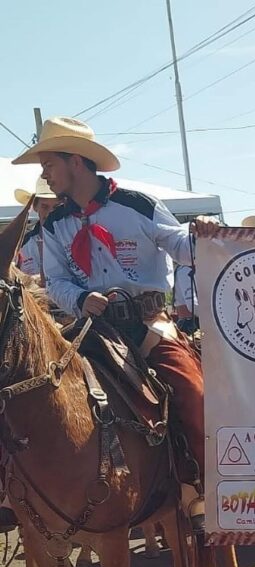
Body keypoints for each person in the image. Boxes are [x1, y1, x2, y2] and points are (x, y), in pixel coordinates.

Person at [12, 116, 210, 531]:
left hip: (147, 324)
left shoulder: (137, 205)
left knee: (193, 391)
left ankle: (202, 488)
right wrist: (81, 299)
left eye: (49, 164)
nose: (45, 175)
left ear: (76, 161)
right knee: (36, 390)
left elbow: (180, 246)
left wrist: (203, 234)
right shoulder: (55, 224)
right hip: (91, 330)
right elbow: (56, 281)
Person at [14, 177, 60, 281]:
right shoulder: (21, 245)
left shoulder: (72, 239)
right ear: (35, 207)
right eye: (45, 206)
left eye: (56, 207)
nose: (50, 213)